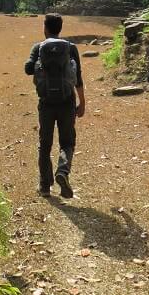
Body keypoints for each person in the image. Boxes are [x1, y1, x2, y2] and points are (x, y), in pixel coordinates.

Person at [24, 13, 85, 198]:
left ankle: (44, 186)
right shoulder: (71, 48)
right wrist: (82, 102)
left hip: (46, 103)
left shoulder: (39, 47)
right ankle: (62, 171)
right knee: (67, 142)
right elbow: (78, 77)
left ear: (45, 28)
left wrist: (36, 63)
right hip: (67, 102)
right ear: (60, 28)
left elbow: (27, 69)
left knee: (45, 144)